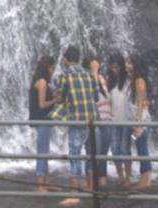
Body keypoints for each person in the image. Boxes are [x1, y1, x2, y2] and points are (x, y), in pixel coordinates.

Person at [56, 45, 97, 191]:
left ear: (66, 59)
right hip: (91, 120)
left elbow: (60, 97)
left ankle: (75, 190)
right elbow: (94, 94)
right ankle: (91, 186)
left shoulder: (65, 75)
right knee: (90, 153)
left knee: (75, 154)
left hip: (76, 120)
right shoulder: (88, 74)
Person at [83, 52, 113, 188]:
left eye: (96, 63)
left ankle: (102, 176)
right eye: (93, 64)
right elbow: (92, 94)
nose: (96, 65)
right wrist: (94, 73)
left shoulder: (101, 78)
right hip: (93, 119)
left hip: (107, 118)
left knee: (103, 152)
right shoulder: (85, 78)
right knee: (94, 150)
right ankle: (90, 180)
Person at [29, 55, 57, 190]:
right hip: (43, 120)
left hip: (43, 120)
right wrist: (56, 100)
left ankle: (45, 181)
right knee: (43, 152)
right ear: (47, 68)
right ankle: (41, 184)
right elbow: (42, 104)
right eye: (52, 68)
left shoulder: (39, 81)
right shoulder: (42, 82)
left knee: (44, 150)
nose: (53, 71)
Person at [126, 55, 152, 189]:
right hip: (135, 121)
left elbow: (140, 105)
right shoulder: (133, 80)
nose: (126, 64)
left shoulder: (139, 81)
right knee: (141, 150)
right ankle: (146, 179)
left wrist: (138, 125)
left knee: (142, 151)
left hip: (141, 122)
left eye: (129, 62)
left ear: (135, 65)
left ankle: (145, 181)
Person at [108, 52, 132, 187]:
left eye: (117, 67)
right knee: (115, 149)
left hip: (127, 121)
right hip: (114, 120)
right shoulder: (110, 81)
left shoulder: (129, 80)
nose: (114, 70)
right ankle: (121, 177)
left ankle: (128, 177)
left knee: (125, 149)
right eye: (112, 67)